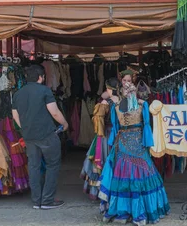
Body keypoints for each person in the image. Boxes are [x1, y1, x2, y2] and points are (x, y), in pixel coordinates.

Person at [98, 71, 170, 226]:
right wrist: (148, 143)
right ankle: (140, 209)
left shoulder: (116, 106)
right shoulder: (141, 105)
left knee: (124, 173)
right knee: (141, 172)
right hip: (135, 142)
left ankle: (123, 209)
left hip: (124, 142)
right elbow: (146, 126)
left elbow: (116, 127)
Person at [12, 64, 69, 209]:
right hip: (46, 134)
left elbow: (15, 115)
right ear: (40, 77)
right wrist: (65, 123)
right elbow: (54, 112)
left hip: (29, 135)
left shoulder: (18, 94)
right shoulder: (44, 90)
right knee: (52, 165)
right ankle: (47, 201)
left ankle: (36, 201)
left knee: (33, 166)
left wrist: (24, 128)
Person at [80, 77, 118, 199]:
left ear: (108, 88)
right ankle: (116, 191)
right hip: (119, 135)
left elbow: (98, 124)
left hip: (105, 134)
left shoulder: (105, 103)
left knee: (103, 160)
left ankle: (101, 191)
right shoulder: (123, 101)